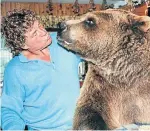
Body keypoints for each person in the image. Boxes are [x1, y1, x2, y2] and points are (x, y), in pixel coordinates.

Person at [1, 9, 81, 130]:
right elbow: (10, 110)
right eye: (34, 34)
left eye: (40, 25)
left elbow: (96, 52)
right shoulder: (15, 70)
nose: (43, 32)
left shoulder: (63, 40)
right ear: (23, 45)